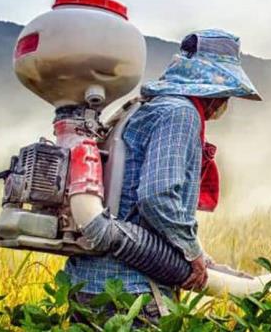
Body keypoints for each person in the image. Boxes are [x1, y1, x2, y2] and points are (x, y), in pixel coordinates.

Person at [65, 29, 261, 320]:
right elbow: (158, 195)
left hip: (87, 283)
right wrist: (192, 253)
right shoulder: (180, 114)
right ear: (214, 89)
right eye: (226, 94)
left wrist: (199, 254)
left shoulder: (142, 108)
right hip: (133, 291)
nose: (225, 103)